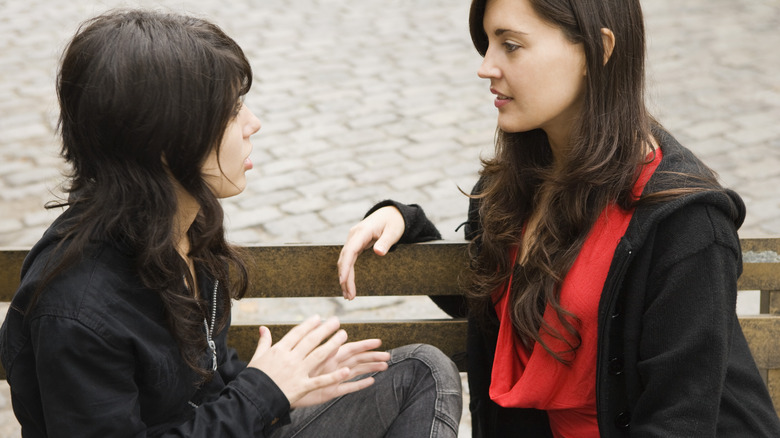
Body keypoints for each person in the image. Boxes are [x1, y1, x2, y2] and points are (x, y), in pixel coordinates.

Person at [0, 9, 462, 437]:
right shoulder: (76, 310)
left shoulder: (185, 227)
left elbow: (204, 386)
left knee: (420, 372)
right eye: (232, 110)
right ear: (166, 140)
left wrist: (289, 388)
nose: (253, 123)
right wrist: (264, 392)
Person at [338, 0, 780, 436]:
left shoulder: (684, 225)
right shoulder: (510, 189)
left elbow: (678, 421)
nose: (485, 67)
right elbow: (509, 312)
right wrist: (405, 224)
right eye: (488, 43)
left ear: (597, 50)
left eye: (510, 45)